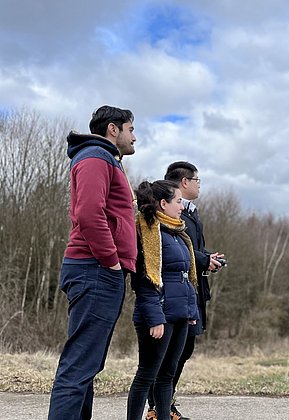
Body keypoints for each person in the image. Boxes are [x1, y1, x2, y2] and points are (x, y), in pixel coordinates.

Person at [48, 105, 138, 420]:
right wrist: (111, 260)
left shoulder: (106, 160)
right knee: (80, 364)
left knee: (88, 363)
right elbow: (88, 214)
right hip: (95, 269)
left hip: (99, 270)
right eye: (131, 129)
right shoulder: (95, 158)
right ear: (113, 129)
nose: (134, 137)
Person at [143, 161, 225, 420]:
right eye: (197, 180)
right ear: (184, 183)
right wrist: (203, 259)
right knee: (167, 356)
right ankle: (157, 408)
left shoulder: (190, 213)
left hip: (192, 291)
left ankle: (165, 405)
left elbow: (191, 249)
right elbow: (172, 254)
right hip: (173, 295)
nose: (200, 185)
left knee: (184, 350)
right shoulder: (166, 216)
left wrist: (208, 257)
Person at [127, 180, 200, 420]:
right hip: (159, 316)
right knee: (147, 374)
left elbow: (184, 278)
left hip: (179, 315)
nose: (181, 206)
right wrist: (155, 318)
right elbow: (145, 279)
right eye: (178, 201)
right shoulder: (148, 232)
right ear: (163, 203)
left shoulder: (177, 233)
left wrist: (191, 312)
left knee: (167, 375)